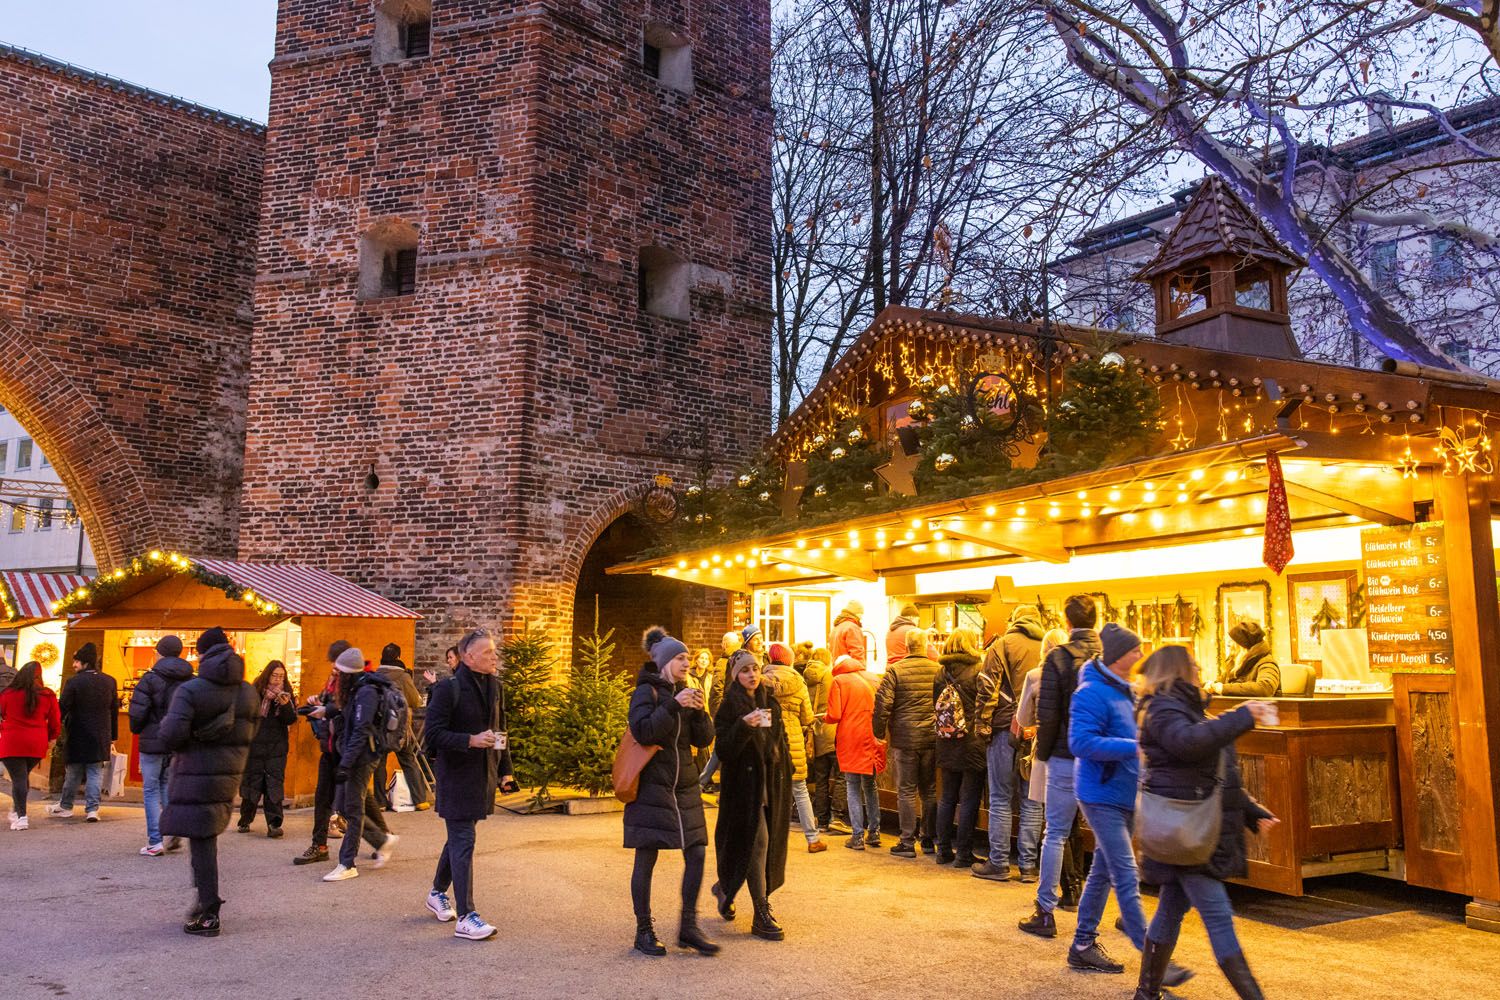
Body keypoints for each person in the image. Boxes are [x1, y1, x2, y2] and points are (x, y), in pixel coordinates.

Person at [1135, 646, 1278, 1000]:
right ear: (1179, 670)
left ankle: (1146, 993)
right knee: (1218, 917)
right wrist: (1244, 715)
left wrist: (1251, 812)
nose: (1200, 668)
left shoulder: (1185, 709)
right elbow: (1190, 745)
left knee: (1171, 908)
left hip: (1189, 831)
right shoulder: (1164, 708)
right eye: (1194, 664)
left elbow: (1214, 775)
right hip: (1187, 833)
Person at [1065, 624, 1193, 986]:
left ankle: (1082, 943)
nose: (1140, 655)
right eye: (1135, 650)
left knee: (1104, 871)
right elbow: (1080, 742)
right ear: (1119, 655)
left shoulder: (1126, 690)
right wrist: (1132, 746)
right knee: (1124, 872)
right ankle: (1153, 958)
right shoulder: (1092, 692)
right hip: (1100, 792)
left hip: (1123, 791)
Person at [158, 627, 259, 937]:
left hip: (195, 770)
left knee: (202, 841)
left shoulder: (191, 690)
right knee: (205, 836)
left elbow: (171, 734)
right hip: (229, 772)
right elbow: (251, 731)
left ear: (202, 654)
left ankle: (209, 909)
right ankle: (204, 902)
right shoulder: (247, 691)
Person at [623, 627, 718, 956]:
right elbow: (644, 731)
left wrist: (701, 710)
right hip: (652, 786)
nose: (687, 662)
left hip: (685, 786)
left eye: (688, 657)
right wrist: (674, 706)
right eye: (680, 657)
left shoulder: (686, 689)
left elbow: (702, 740)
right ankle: (643, 930)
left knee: (697, 852)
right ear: (665, 662)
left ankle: (689, 926)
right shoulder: (646, 691)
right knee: (646, 856)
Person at [424, 628, 518, 942]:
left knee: (459, 838)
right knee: (463, 840)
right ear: (469, 656)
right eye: (488, 652)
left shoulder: (496, 685)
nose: (495, 657)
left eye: (494, 651)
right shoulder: (447, 689)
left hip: (483, 776)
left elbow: (500, 728)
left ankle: (437, 891)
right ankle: (466, 916)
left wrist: (506, 771)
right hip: (456, 777)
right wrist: (470, 740)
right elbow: (432, 737)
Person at [1020, 594, 1101, 937]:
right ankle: (1116, 912)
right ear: (1096, 620)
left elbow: (1047, 715)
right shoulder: (1111, 655)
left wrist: (1043, 755)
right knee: (1110, 835)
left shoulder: (1057, 658)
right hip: (1102, 756)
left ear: (1067, 624)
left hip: (1065, 755)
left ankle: (1045, 910)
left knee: (1054, 833)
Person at [710, 649, 792, 941]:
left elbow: (778, 742)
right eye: (745, 671)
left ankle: (724, 887)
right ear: (736, 675)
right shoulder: (729, 705)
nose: (752, 675)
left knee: (760, 847)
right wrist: (744, 726)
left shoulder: (770, 702)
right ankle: (761, 912)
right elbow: (723, 750)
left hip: (769, 783)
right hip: (744, 789)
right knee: (759, 843)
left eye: (755, 669)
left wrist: (785, 767)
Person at [973, 605, 1045, 882]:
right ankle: (1028, 866)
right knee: (1032, 799)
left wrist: (982, 725)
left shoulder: (1002, 645)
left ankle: (999, 862)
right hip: (1038, 734)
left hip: (1005, 728)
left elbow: (987, 688)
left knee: (1001, 797)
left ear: (1014, 620)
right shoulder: (1049, 647)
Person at [1017, 627, 1084, 909]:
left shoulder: (1036, 676)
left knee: (1055, 827)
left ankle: (1065, 891)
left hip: (1050, 754)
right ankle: (1076, 884)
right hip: (1081, 754)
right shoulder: (1083, 672)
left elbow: (1023, 718)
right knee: (1074, 825)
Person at [321, 645, 398, 882]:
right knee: (349, 806)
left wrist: (346, 763)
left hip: (362, 756)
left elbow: (361, 729)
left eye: (339, 672)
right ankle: (381, 840)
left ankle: (347, 863)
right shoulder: (359, 688)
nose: (336, 676)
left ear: (347, 673)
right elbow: (350, 718)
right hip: (358, 755)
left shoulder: (365, 692)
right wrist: (325, 710)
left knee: (352, 809)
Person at [873, 626, 939, 857]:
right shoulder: (937, 669)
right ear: (925, 644)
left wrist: (878, 732)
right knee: (929, 790)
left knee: (906, 791)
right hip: (932, 738)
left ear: (907, 646)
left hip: (905, 738)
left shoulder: (895, 671)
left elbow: (883, 704)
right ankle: (929, 840)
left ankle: (907, 841)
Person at [128, 635, 192, 855]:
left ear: (160, 652)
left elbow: (137, 712)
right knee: (167, 786)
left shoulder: (149, 679)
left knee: (151, 789)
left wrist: (138, 729)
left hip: (153, 739)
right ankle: (173, 831)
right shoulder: (189, 679)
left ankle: (155, 840)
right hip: (176, 740)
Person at [933, 626, 987, 868]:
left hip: (945, 739)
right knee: (969, 799)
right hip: (972, 741)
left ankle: (943, 850)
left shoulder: (939, 673)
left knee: (947, 797)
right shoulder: (978, 670)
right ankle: (964, 852)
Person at [292, 641, 348, 866]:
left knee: (354, 803)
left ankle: (381, 839)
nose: (333, 667)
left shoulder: (354, 682)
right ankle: (319, 845)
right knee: (323, 798)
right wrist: (316, 703)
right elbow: (327, 702)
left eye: (335, 662)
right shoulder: (334, 680)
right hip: (330, 746)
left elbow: (348, 709)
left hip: (345, 749)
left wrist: (326, 709)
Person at [764, 642, 823, 854]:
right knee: (800, 790)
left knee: (769, 792)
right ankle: (813, 839)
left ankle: (769, 840)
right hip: (794, 743)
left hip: (769, 742)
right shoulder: (799, 682)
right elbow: (807, 717)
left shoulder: (762, 680)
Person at [50, 643, 116, 822]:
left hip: (78, 732)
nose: (74, 665)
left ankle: (66, 806)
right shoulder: (109, 681)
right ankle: (92, 809)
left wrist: (53, 729)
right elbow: (114, 710)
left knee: (73, 771)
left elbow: (62, 708)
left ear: (85, 663)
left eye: (77, 661)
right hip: (101, 733)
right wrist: (113, 736)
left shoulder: (74, 682)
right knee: (95, 772)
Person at [825, 654, 881, 850]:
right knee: (870, 785)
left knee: (852, 785)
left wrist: (823, 718)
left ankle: (857, 836)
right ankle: (874, 832)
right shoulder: (872, 677)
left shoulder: (839, 681)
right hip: (871, 735)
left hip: (850, 738)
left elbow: (834, 714)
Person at [237, 660, 298, 837]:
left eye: (281, 676)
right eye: (275, 675)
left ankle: (274, 824)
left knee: (274, 785)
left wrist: (286, 705)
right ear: (268, 675)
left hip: (276, 747)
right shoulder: (255, 691)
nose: (278, 679)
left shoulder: (286, 694)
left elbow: (290, 720)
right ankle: (245, 819)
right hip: (254, 745)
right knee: (252, 784)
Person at [0, 662, 60, 830]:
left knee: (18, 778)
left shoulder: (8, 694)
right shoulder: (47, 695)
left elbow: (2, 713)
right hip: (36, 742)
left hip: (12, 741)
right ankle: (16, 809)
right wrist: (52, 738)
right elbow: (55, 721)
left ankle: (22, 816)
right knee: (22, 776)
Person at [375, 642, 432, 811]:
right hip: (400, 729)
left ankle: (379, 802)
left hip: (379, 727)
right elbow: (415, 701)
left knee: (379, 763)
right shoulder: (403, 677)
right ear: (398, 657)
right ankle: (420, 799)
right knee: (408, 760)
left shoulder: (375, 676)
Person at [801, 646, 849, 835]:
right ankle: (836, 817)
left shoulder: (805, 677)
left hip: (815, 732)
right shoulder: (831, 676)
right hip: (832, 731)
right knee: (841, 775)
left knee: (820, 778)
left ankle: (821, 819)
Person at [699, 630, 745, 793]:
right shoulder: (745, 657)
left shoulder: (723, 661)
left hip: (728, 712)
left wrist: (718, 715)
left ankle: (703, 781)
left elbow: (716, 690)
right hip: (738, 713)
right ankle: (705, 781)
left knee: (722, 748)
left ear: (725, 644)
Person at [1209, 621, 1281, 698]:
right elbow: (1219, 683)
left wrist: (1223, 688)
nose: (1229, 645)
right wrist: (1210, 685)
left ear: (1243, 647)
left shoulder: (1266, 663)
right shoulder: (1234, 664)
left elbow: (1265, 688)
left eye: (1233, 642)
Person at [686, 647, 716, 781]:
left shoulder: (710, 677)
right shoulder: (688, 676)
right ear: (696, 660)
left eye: (706, 659)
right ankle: (703, 778)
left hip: (707, 714)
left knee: (706, 746)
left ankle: (703, 778)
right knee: (698, 747)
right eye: (701, 658)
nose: (704, 661)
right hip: (694, 713)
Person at [829, 600, 867, 668]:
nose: (861, 617)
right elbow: (857, 653)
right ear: (856, 613)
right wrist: (862, 671)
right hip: (849, 670)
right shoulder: (852, 627)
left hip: (836, 669)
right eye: (861, 613)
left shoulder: (835, 628)